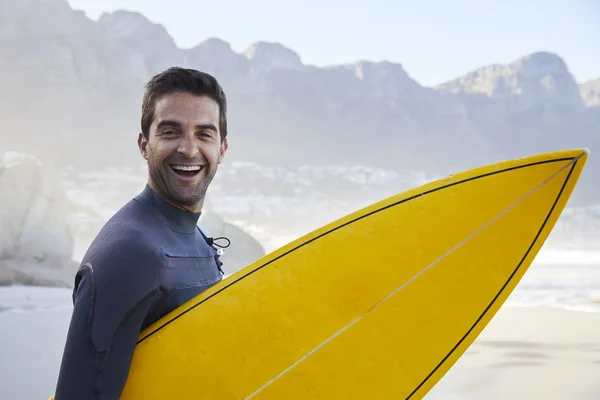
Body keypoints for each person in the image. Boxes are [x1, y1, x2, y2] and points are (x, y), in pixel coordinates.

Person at [53, 67, 230, 399]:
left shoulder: (195, 239)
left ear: (221, 149)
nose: (189, 149)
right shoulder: (130, 254)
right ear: (144, 144)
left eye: (204, 134)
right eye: (170, 131)